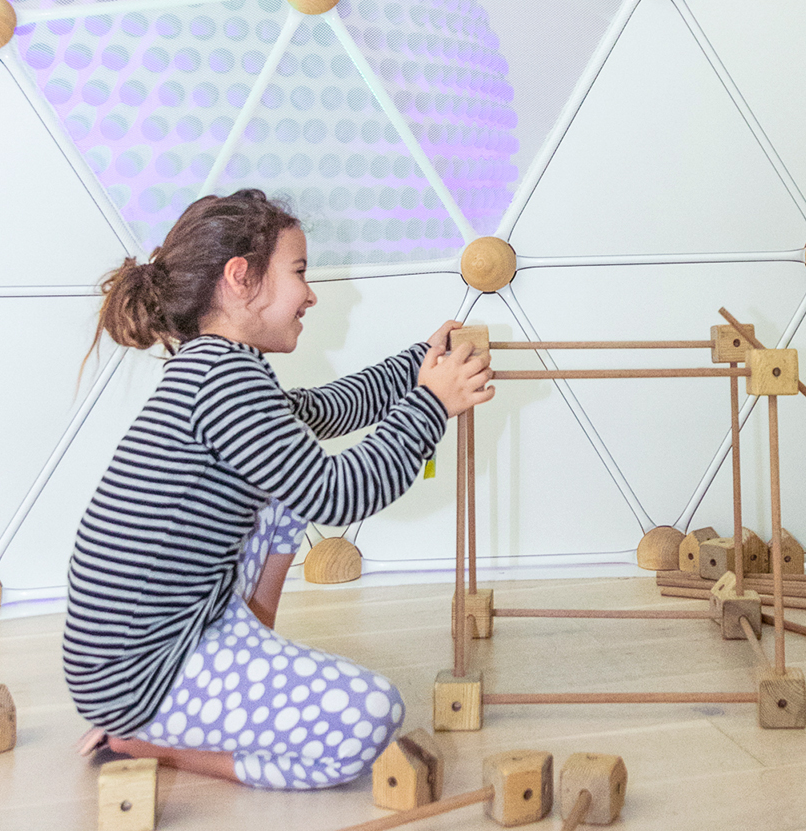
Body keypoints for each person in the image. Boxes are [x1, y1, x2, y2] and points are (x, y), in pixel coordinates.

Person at [64, 190, 493, 788]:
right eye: (299, 273)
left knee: (279, 486)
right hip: (145, 676)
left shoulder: (216, 368)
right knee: (373, 715)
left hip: (153, 651)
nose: (310, 293)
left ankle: (232, 664)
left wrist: (421, 364)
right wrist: (430, 405)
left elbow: (328, 409)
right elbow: (339, 495)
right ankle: (150, 744)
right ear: (241, 279)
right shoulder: (223, 383)